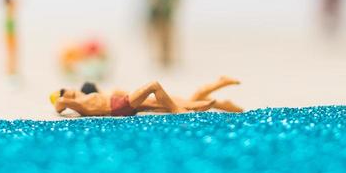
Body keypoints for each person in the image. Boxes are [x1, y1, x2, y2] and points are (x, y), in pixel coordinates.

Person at [51, 77, 243, 117]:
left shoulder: (87, 98)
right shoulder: (75, 101)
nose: (68, 89)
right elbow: (59, 104)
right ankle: (214, 98)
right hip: (119, 105)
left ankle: (215, 99)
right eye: (63, 89)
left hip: (120, 105)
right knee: (155, 87)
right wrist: (59, 99)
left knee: (165, 104)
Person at [1, 0, 20, 81]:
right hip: (10, 36)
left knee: (12, 54)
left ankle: (12, 71)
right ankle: (10, 72)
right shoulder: (9, 9)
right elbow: (16, 2)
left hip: (10, 35)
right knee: (11, 54)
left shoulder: (9, 9)